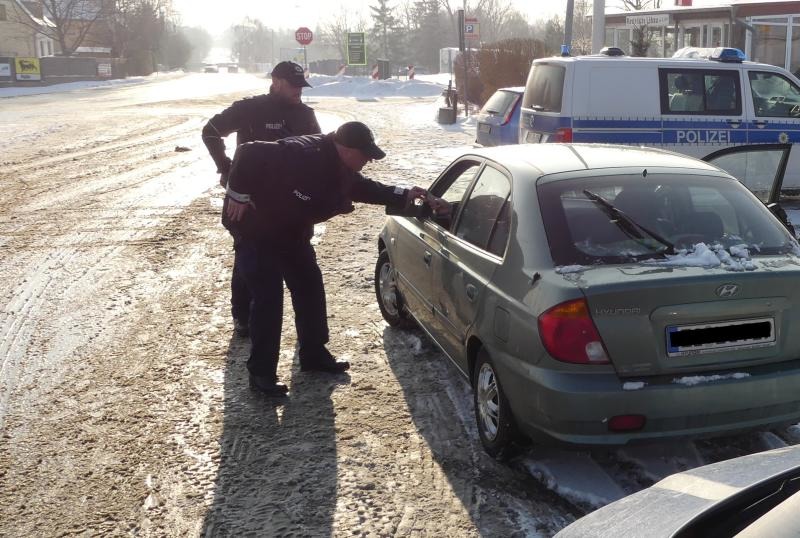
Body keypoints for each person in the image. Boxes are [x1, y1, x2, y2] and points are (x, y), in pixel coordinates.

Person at [225, 121, 435, 397]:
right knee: (268, 298)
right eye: (365, 155)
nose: (368, 161)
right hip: (255, 230)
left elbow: (364, 188)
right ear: (345, 148)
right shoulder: (304, 151)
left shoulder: (341, 167)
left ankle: (313, 354)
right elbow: (248, 152)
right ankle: (261, 373)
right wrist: (238, 194)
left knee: (310, 286)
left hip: (289, 231)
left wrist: (403, 194)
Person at [201, 60, 320, 338]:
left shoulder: (305, 115)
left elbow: (319, 151)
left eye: (302, 86)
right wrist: (226, 167)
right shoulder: (250, 109)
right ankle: (243, 316)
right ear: (276, 82)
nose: (298, 91)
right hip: (248, 199)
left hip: (292, 202)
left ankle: (304, 330)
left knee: (298, 257)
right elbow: (211, 131)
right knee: (249, 256)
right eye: (293, 86)